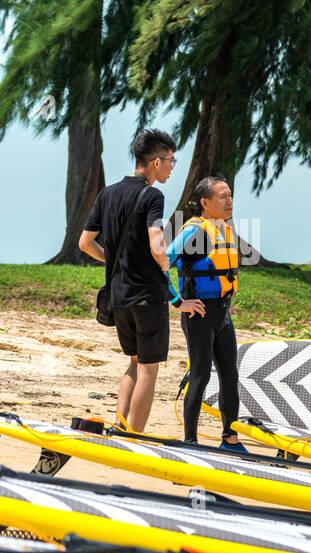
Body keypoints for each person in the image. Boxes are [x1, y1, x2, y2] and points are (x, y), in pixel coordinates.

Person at [79, 129, 202, 432]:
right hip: (148, 296)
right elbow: (156, 240)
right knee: (149, 368)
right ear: (156, 162)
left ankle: (119, 425)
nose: (174, 167)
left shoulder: (107, 193)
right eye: (172, 161)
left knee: (134, 364)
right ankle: (135, 435)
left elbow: (84, 242)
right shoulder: (152, 195)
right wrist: (164, 262)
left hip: (118, 297)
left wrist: (116, 259)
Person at [166, 175, 245, 451]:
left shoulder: (224, 229)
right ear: (205, 202)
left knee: (230, 375)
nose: (229, 200)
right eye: (223, 196)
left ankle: (230, 438)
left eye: (230, 195)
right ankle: (190, 441)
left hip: (222, 314)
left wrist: (227, 297)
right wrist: (178, 301)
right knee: (200, 374)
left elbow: (224, 270)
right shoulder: (194, 232)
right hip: (198, 315)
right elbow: (162, 264)